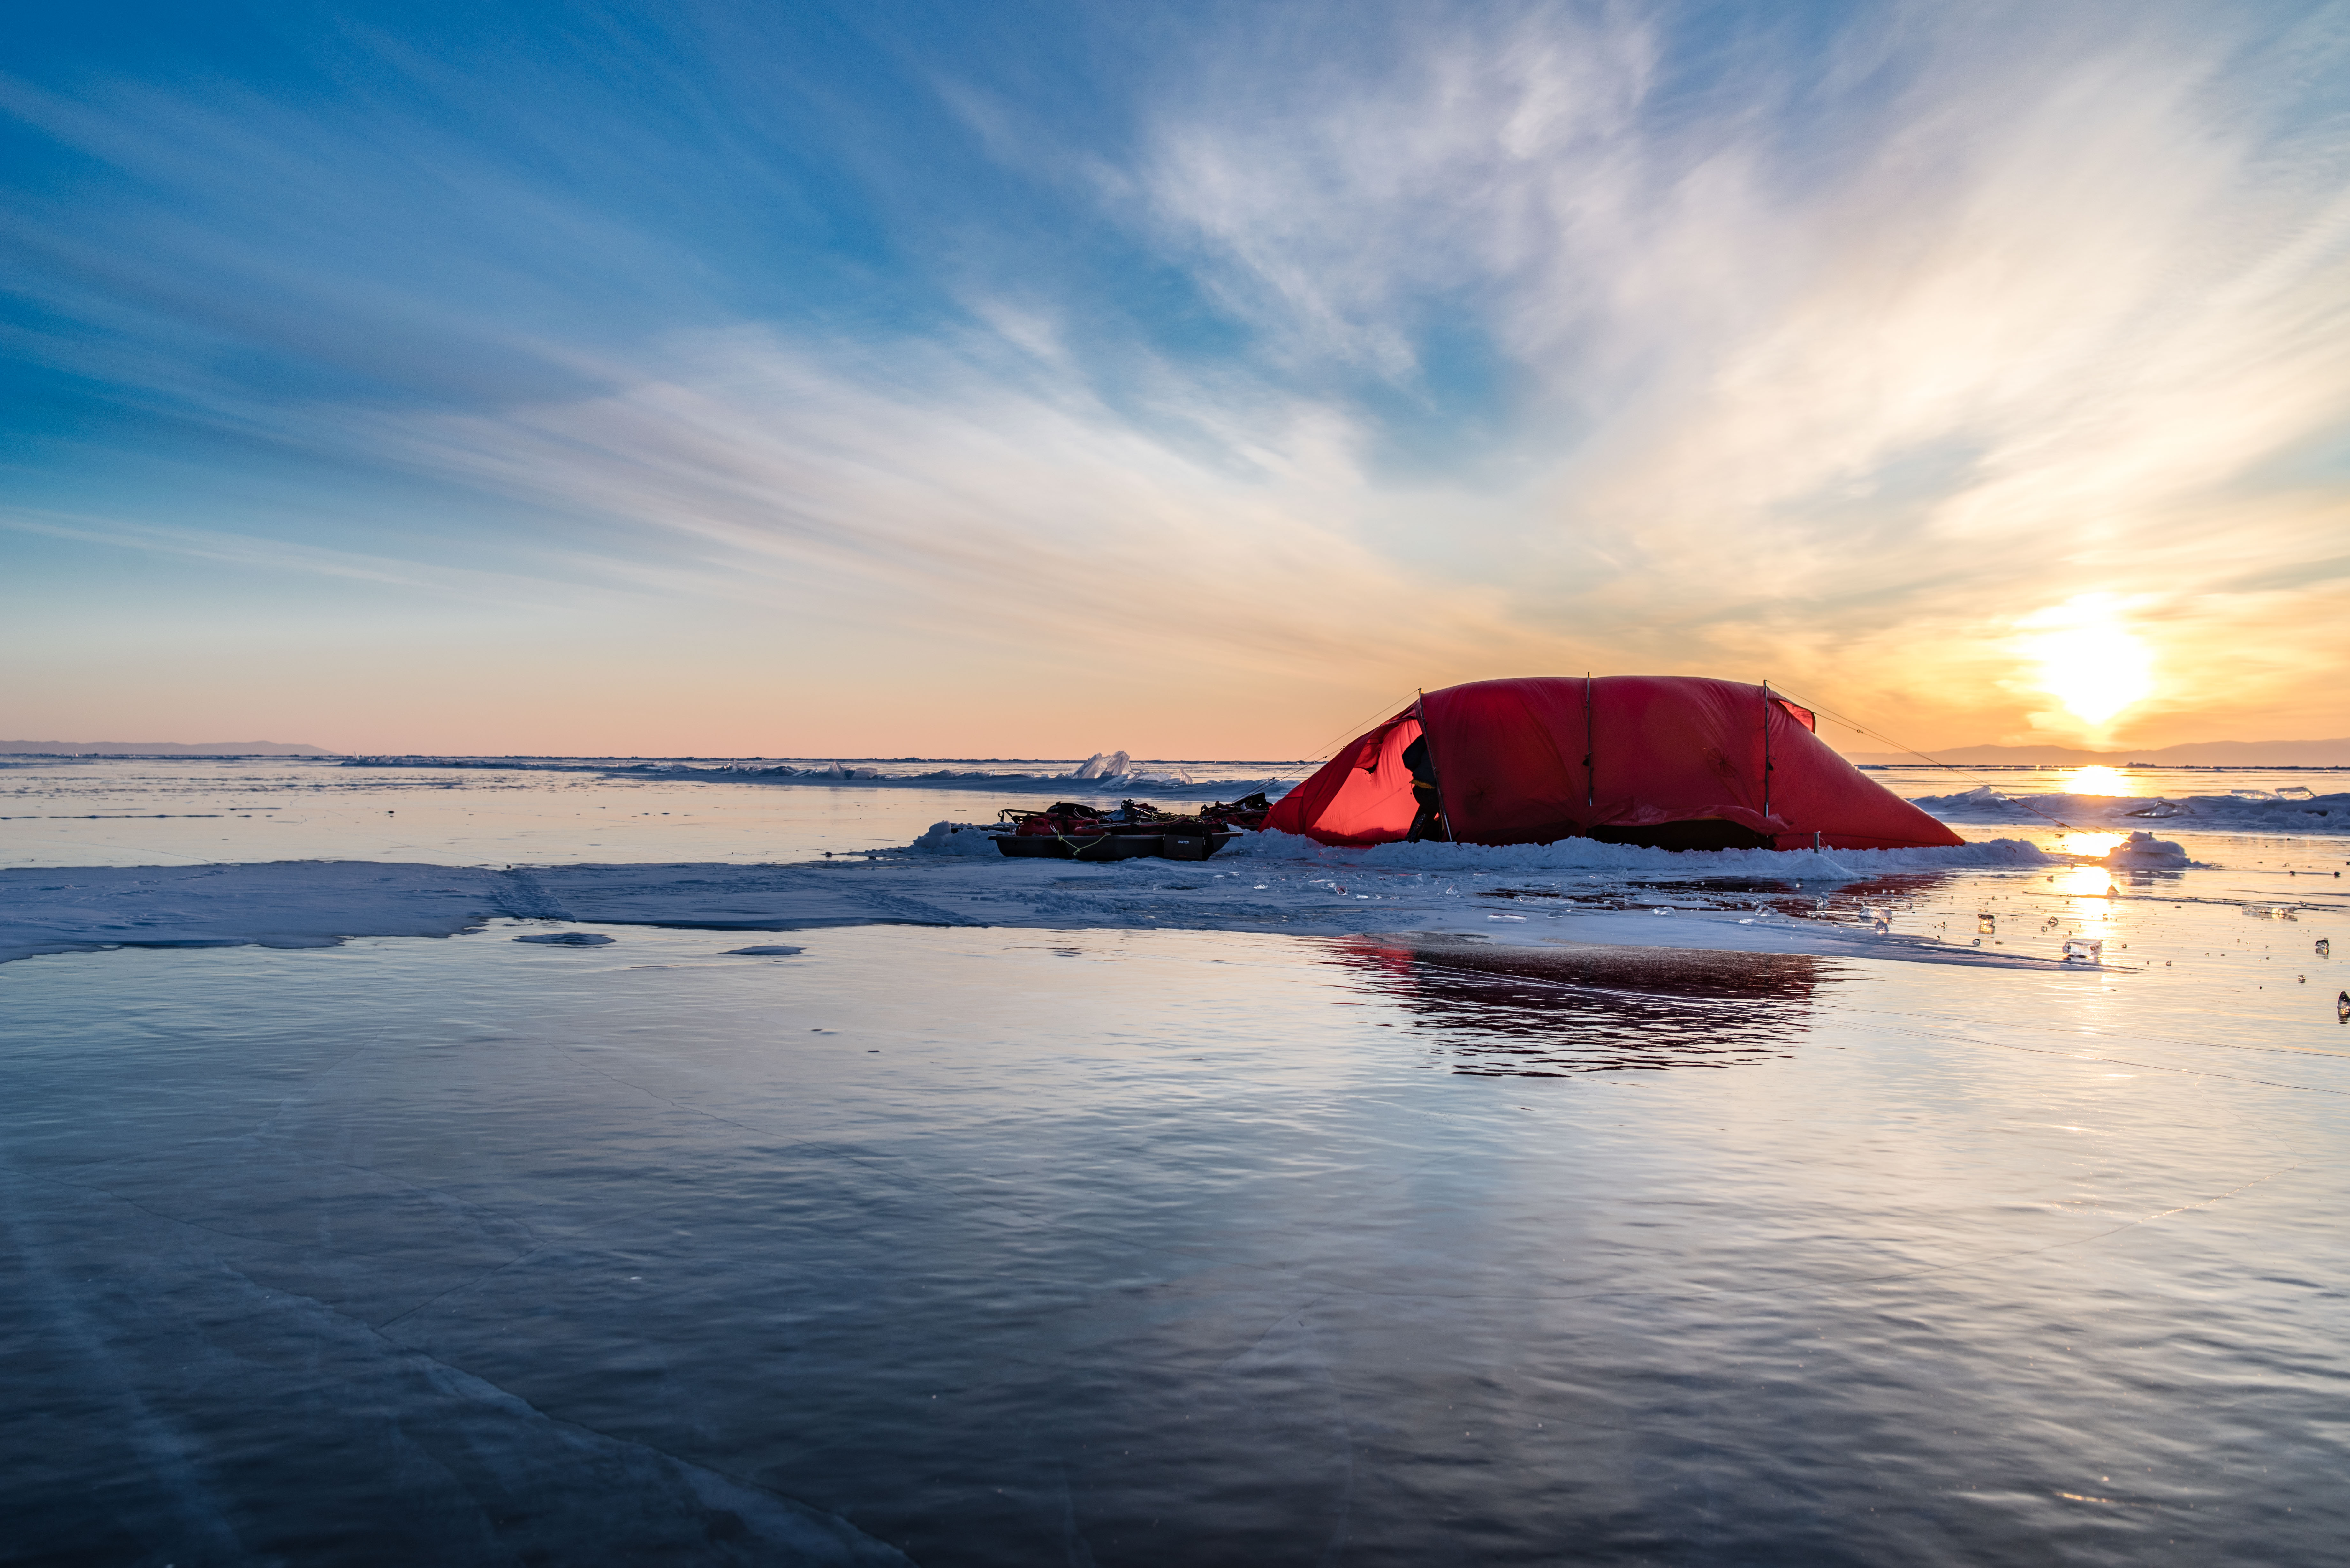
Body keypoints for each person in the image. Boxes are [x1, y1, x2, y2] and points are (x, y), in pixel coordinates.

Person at [1402, 733, 1449, 842]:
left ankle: (1414, 834)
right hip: (1435, 790)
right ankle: (1443, 838)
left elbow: (1409, 758)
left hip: (1419, 787)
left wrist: (1422, 772)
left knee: (1427, 808)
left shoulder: (1430, 732)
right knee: (1448, 812)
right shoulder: (1457, 735)